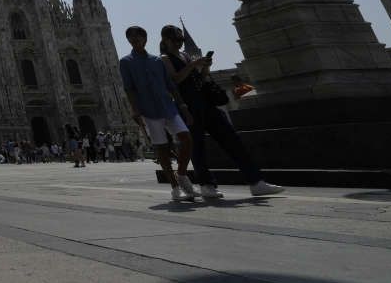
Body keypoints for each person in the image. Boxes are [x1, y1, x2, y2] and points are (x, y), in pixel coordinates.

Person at [159, 24, 285, 199]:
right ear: (166, 40)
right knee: (198, 148)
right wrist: (193, 65)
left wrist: (205, 68)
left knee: (232, 140)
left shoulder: (185, 55)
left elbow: (199, 80)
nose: (180, 43)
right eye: (177, 39)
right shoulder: (164, 59)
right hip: (188, 106)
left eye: (182, 39)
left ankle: (256, 182)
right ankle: (206, 185)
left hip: (205, 103)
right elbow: (175, 80)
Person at [120, 25, 198, 203]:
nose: (134, 40)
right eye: (131, 38)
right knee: (161, 148)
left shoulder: (157, 61)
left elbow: (170, 85)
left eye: (137, 37)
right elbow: (129, 88)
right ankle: (175, 187)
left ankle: (181, 174)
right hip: (148, 110)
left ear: (145, 39)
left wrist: (183, 106)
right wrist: (135, 110)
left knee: (186, 138)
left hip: (167, 106)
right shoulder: (126, 62)